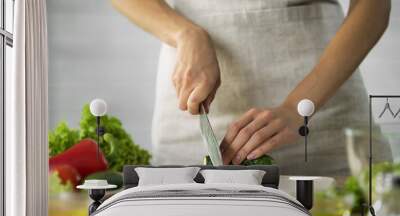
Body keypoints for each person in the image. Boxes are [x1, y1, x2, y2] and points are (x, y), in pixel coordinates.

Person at [111, 0, 392, 176]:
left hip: (323, 107)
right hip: (195, 120)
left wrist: (297, 107)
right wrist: (185, 34)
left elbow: (374, 6)